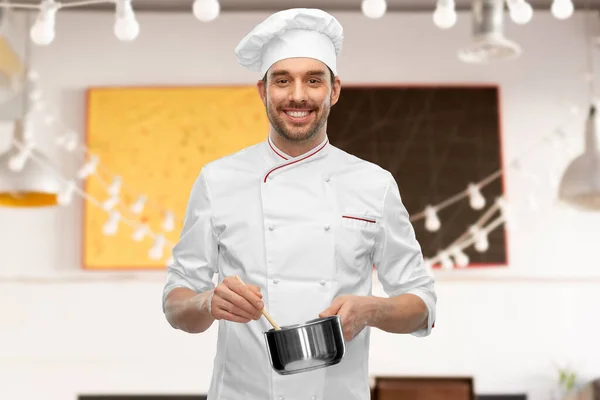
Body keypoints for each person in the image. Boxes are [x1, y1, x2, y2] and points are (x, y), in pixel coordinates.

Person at [162, 8, 437, 400]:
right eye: (282, 80)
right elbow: (176, 304)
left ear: (334, 89)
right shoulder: (217, 180)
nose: (297, 95)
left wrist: (371, 310)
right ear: (263, 90)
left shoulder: (373, 184)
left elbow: (422, 304)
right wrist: (208, 302)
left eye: (313, 80)